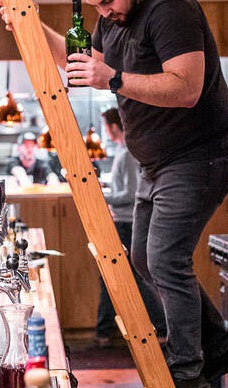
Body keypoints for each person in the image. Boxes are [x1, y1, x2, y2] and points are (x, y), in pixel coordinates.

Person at [0, 0, 228, 388]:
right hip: (155, 163)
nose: (104, 11)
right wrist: (30, 22)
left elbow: (187, 88)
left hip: (199, 155)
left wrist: (112, 78)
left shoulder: (170, 10)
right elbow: (81, 62)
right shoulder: (111, 20)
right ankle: (218, 344)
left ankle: (187, 368)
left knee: (165, 259)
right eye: (95, 4)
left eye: (107, 1)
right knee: (143, 259)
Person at [95, 107, 166, 346]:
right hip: (124, 220)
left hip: (127, 222)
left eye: (106, 127)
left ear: (114, 127)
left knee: (132, 277)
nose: (106, 131)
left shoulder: (127, 153)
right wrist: (106, 188)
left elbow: (131, 193)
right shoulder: (123, 151)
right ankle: (105, 329)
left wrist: (100, 196)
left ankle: (161, 326)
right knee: (117, 276)